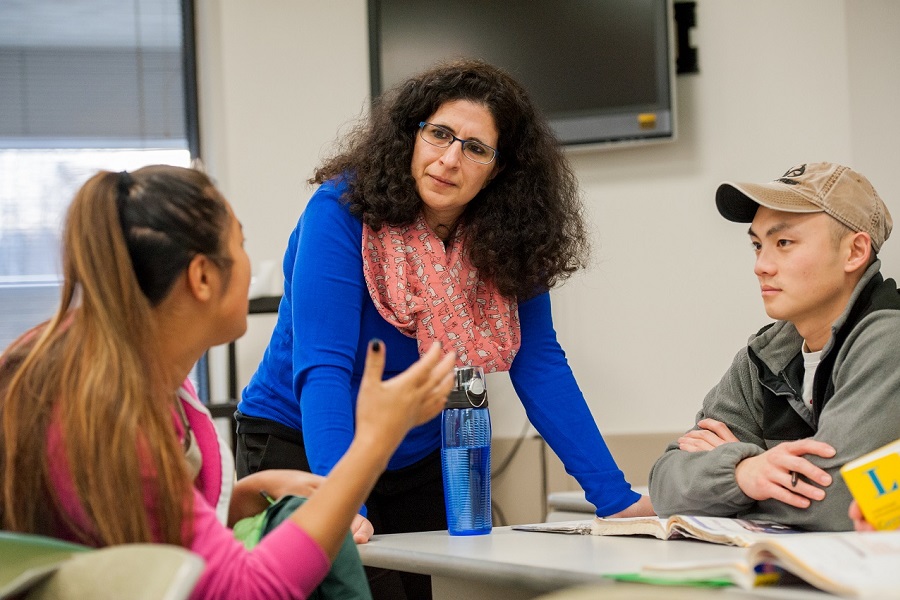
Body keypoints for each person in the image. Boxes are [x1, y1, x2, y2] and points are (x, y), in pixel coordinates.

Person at [235, 59, 652, 597]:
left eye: (476, 148)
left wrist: (615, 498)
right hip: (301, 439)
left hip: (416, 452)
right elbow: (323, 369)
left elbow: (539, 363)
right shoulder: (340, 210)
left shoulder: (510, 237)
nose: (450, 159)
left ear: (498, 168)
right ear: (412, 134)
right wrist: (344, 500)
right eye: (439, 134)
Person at [0, 165, 457, 600]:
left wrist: (236, 502)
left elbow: (146, 531)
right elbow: (244, 590)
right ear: (202, 277)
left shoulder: (131, 370)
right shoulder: (104, 412)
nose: (249, 263)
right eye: (240, 244)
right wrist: (373, 444)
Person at [648, 162, 900, 532]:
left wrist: (733, 478)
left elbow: (838, 503)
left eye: (783, 243)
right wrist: (745, 471)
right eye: (757, 245)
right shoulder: (765, 356)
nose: (761, 266)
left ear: (854, 252)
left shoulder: (889, 340)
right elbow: (665, 485)